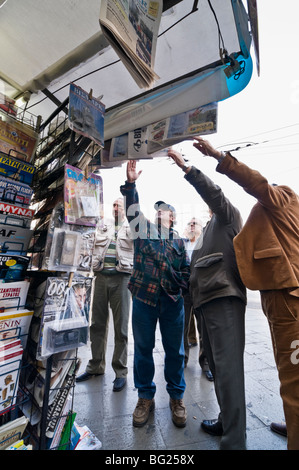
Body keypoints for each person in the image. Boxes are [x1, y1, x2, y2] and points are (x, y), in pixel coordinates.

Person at [193, 136, 299, 450]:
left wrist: (220, 157)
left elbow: (259, 185)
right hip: (283, 295)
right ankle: (293, 425)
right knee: (289, 373)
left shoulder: (283, 197)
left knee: (293, 380)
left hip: (288, 297)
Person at [168, 148, 247, 450]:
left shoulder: (227, 215)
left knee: (228, 372)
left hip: (223, 300)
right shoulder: (205, 233)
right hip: (205, 306)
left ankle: (234, 441)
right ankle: (227, 421)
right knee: (218, 369)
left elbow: (214, 193)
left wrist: (188, 169)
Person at [120, 160, 190, 428]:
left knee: (176, 352)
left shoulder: (179, 242)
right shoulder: (143, 230)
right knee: (143, 350)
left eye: (165, 210)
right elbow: (132, 210)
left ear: (172, 217)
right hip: (144, 302)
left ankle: (176, 397)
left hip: (173, 304)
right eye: (157, 209)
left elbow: (186, 271)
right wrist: (131, 185)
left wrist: (178, 288)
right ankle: (145, 397)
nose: (160, 212)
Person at [76, 198, 133, 392]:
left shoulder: (133, 226)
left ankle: (120, 372)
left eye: (119, 205)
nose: (115, 208)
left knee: (121, 328)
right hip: (100, 277)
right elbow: (89, 239)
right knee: (97, 324)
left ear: (126, 208)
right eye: (114, 205)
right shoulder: (103, 225)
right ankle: (96, 366)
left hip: (122, 279)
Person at [183, 218, 213, 381]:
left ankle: (206, 364)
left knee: (204, 331)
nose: (192, 224)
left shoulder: (206, 245)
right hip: (185, 292)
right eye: (190, 223)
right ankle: (182, 361)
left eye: (195, 223)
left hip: (202, 291)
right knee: (182, 329)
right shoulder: (181, 244)